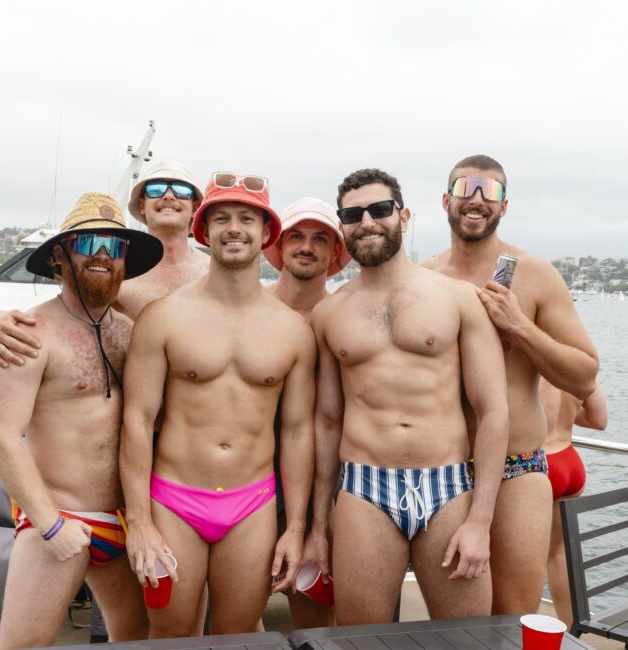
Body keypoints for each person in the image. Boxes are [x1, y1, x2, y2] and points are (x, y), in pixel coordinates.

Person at [119, 173, 317, 637]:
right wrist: (140, 522)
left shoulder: (292, 330)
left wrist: (296, 528)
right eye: (222, 218)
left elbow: (297, 431)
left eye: (247, 219)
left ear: (266, 233)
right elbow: (137, 419)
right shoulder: (163, 316)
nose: (234, 228)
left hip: (253, 504)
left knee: (238, 633)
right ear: (202, 231)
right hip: (173, 498)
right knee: (171, 634)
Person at [311, 168, 509, 625]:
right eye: (353, 214)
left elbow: (493, 410)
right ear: (342, 226)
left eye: (380, 210)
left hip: (449, 485)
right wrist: (319, 527)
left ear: (403, 215)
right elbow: (326, 423)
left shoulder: (459, 299)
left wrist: (480, 521)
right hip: (364, 486)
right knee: (363, 640)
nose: (367, 222)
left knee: (465, 639)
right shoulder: (328, 315)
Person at [0, 193, 163, 648]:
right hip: (60, 516)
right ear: (61, 255)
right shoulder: (26, 334)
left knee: (137, 637)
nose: (103, 255)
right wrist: (50, 524)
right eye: (90, 243)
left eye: (115, 246)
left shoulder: (132, 332)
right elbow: (3, 437)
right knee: (22, 645)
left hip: (125, 522)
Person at [423, 154, 599, 614]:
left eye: (491, 191)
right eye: (466, 189)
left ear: (505, 206)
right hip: (443, 470)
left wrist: (520, 327)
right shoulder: (424, 279)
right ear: (446, 200)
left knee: (512, 617)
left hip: (517, 467)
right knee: (453, 623)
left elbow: (584, 373)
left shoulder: (534, 274)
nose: (477, 200)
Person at [0, 160, 210, 365]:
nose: (169, 196)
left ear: (196, 206)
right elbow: (64, 312)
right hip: (134, 400)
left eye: (182, 191)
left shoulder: (213, 272)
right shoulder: (114, 272)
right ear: (142, 205)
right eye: (156, 190)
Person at [263, 197, 351, 628]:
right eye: (295, 236)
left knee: (315, 609)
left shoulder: (343, 318)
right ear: (277, 246)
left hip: (326, 480)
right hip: (253, 475)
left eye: (320, 239)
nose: (306, 247)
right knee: (236, 611)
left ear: (335, 251)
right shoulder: (250, 309)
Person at [540, 378, 607, 627]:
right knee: (558, 553)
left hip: (540, 464)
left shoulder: (532, 360)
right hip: (570, 462)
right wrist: (565, 413)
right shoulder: (576, 365)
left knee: (527, 556)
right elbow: (599, 420)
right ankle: (570, 629)